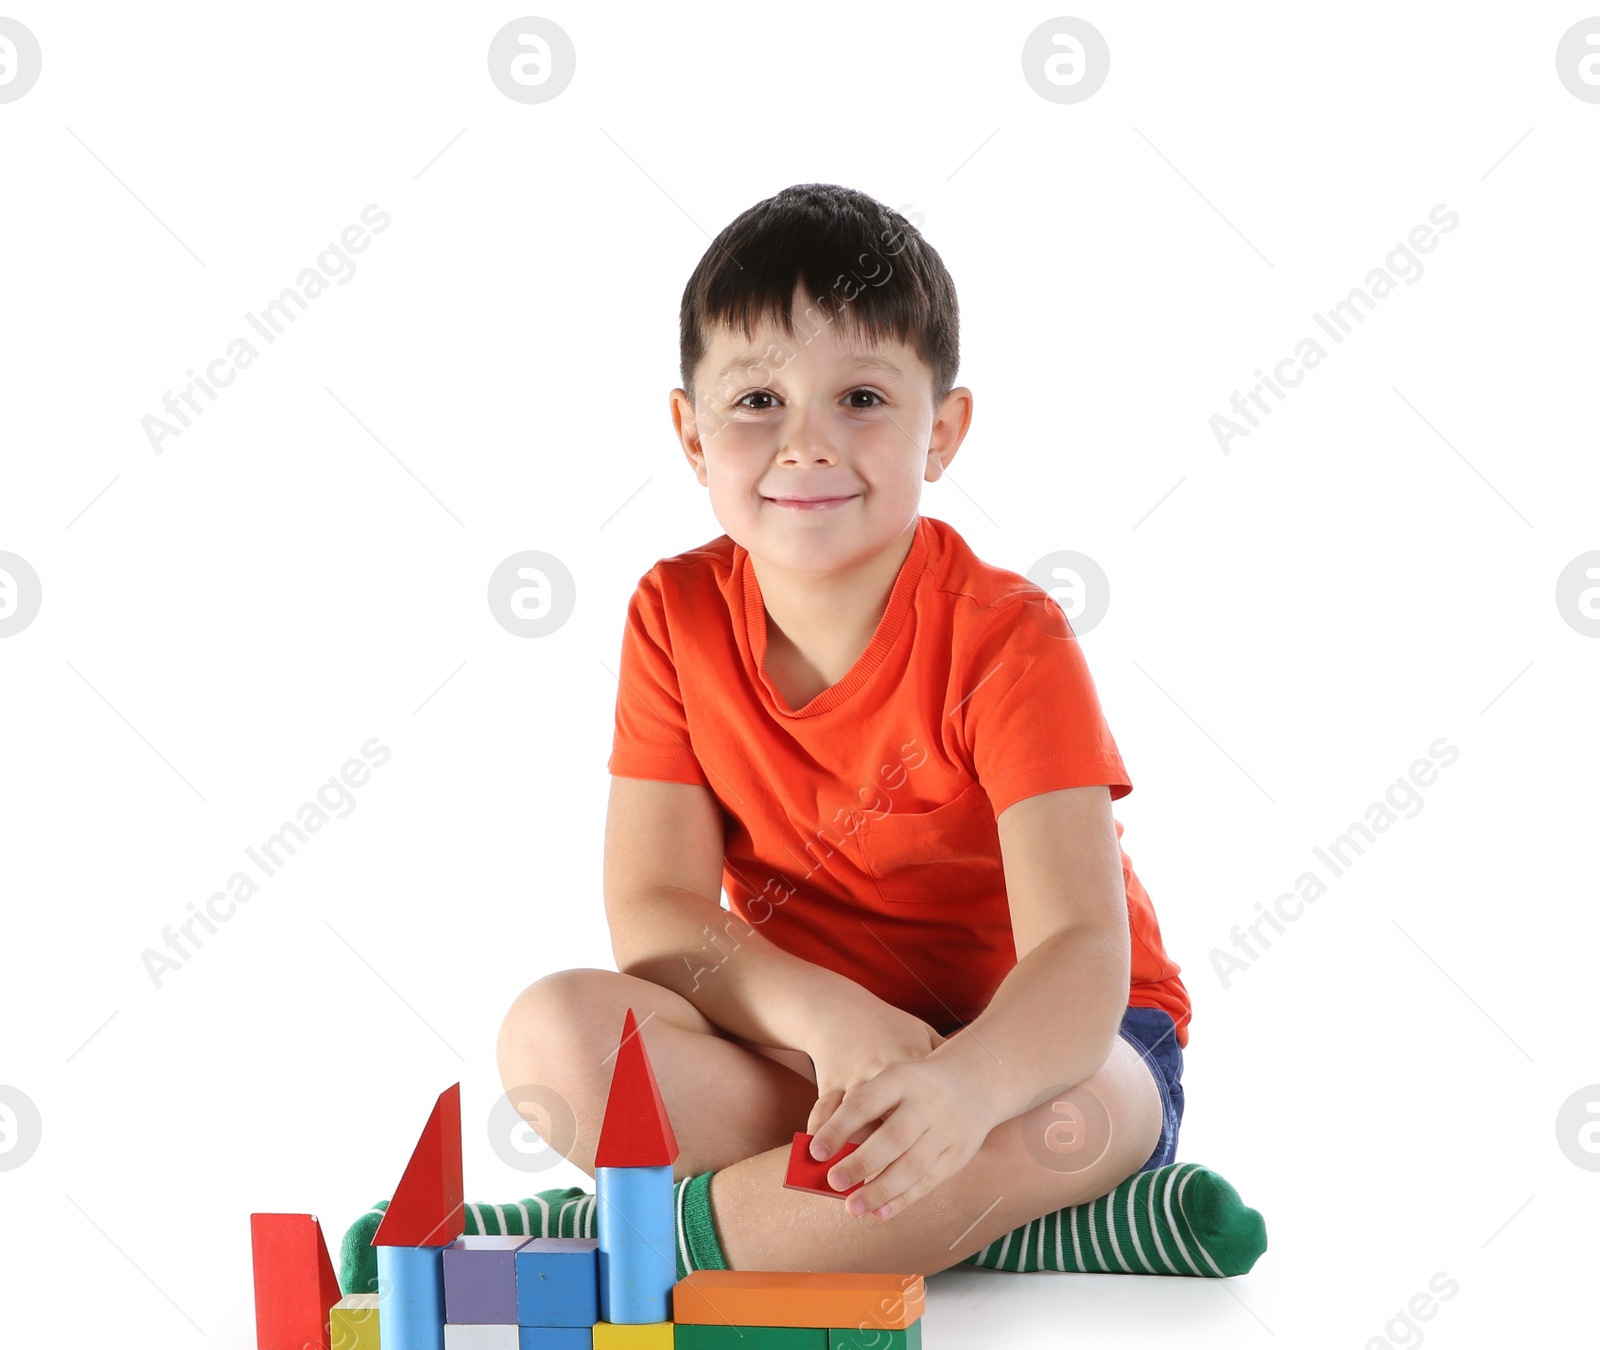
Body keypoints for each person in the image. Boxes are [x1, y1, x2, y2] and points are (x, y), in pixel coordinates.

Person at [496, 182, 1199, 1280]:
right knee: (556, 1037)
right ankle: (984, 1225)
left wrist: (965, 1087)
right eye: (758, 401)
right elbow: (656, 911)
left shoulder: (1009, 637)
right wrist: (826, 1018)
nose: (808, 445)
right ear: (689, 434)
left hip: (1042, 1055)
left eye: (861, 397)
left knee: (1083, 1116)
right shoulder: (673, 615)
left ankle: (645, 1251)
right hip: (821, 1057)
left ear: (943, 431)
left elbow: (1079, 956)